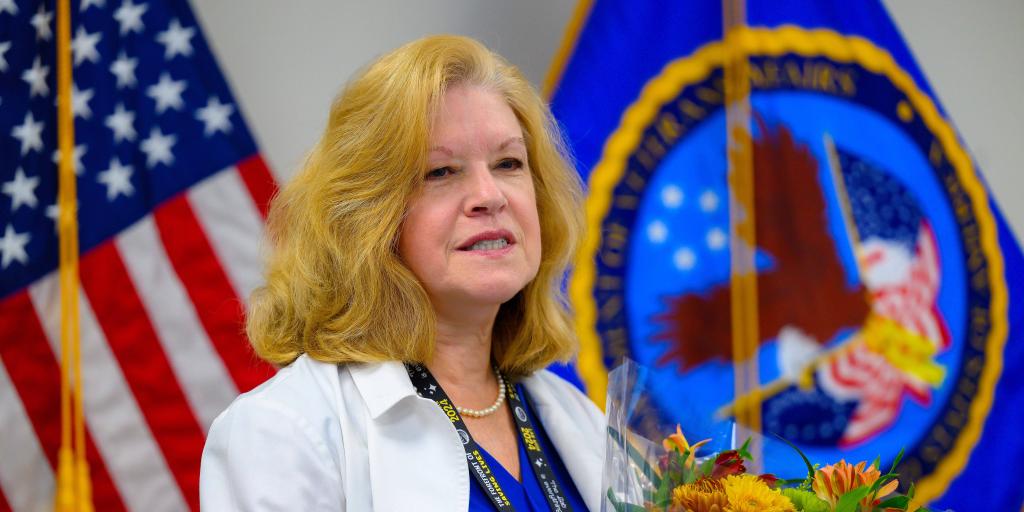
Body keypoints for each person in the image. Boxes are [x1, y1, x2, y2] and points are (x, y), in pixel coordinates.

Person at [199, 34, 606, 511]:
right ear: (369, 219)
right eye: (441, 172)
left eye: (508, 163)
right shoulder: (283, 431)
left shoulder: (579, 418)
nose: (490, 195)